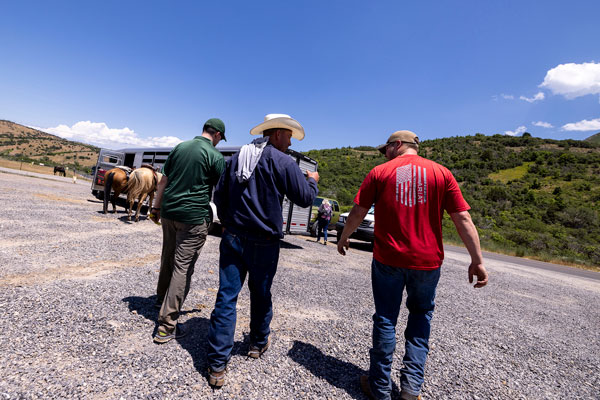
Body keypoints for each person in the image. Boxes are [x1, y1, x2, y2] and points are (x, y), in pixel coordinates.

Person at [337, 130, 488, 400]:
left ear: (397, 145)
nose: (384, 154)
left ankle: (380, 388)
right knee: (421, 318)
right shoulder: (442, 174)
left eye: (386, 149)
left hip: (388, 260)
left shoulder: (380, 172)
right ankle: (410, 390)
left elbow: (359, 211)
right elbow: (462, 219)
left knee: (385, 318)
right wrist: (477, 260)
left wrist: (345, 236)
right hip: (427, 263)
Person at [206, 114, 320, 388]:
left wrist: (228, 222)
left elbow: (219, 196)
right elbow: (304, 198)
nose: (290, 141)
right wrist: (314, 180)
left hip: (233, 236)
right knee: (260, 293)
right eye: (289, 135)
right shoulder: (283, 162)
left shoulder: (236, 159)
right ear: (278, 133)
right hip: (265, 241)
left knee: (226, 296)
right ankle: (257, 343)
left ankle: (217, 365)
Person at [149, 118, 226, 344]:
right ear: (218, 135)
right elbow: (220, 191)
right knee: (182, 268)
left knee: (168, 256)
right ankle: (166, 326)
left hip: (168, 212)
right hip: (193, 217)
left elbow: (163, 181)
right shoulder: (215, 156)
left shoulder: (180, 147)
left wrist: (155, 206)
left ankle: (160, 300)